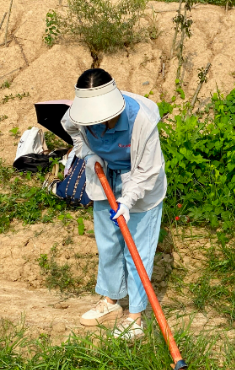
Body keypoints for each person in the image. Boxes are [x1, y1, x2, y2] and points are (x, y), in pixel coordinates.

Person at [62, 68, 167, 340]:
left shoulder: (141, 119)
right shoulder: (78, 114)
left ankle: (135, 316)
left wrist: (127, 200)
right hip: (105, 177)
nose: (97, 123)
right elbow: (72, 131)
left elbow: (148, 169)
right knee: (108, 243)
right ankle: (110, 303)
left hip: (140, 183)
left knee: (138, 250)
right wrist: (88, 154)